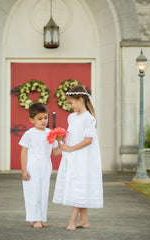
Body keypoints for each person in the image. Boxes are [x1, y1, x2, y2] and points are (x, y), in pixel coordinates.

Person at [53, 85, 103, 231]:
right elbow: (71, 137)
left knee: (78, 187)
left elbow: (88, 140)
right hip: (72, 157)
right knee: (78, 186)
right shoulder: (72, 117)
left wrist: (70, 149)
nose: (70, 106)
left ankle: (72, 220)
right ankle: (84, 220)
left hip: (84, 159)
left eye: (71, 103)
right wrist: (61, 146)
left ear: (80, 100)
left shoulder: (89, 118)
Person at [19, 102, 61, 229]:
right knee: (33, 192)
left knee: (43, 192)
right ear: (31, 119)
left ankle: (40, 218)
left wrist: (63, 147)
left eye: (46, 118)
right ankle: (34, 218)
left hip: (45, 167)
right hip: (32, 167)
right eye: (40, 119)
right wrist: (24, 169)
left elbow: (55, 152)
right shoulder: (29, 134)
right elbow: (24, 152)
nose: (44, 121)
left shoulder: (51, 133)